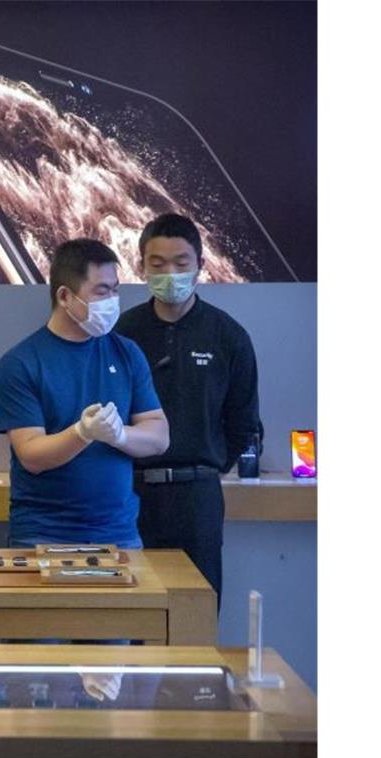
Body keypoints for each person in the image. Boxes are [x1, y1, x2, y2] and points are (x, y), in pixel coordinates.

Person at [116, 213, 262, 601]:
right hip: (130, 492)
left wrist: (207, 466)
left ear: (200, 265)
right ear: (141, 267)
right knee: (131, 609)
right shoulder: (121, 334)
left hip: (197, 496)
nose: (171, 274)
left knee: (196, 609)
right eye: (158, 264)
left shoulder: (227, 335)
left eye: (181, 264)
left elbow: (244, 422)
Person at [0, 239, 169, 549]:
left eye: (116, 289)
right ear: (65, 296)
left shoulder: (127, 353)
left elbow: (158, 436)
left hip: (119, 534)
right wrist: (82, 432)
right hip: (42, 535)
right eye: (102, 291)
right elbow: (31, 455)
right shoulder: (21, 363)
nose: (113, 300)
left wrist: (119, 435)